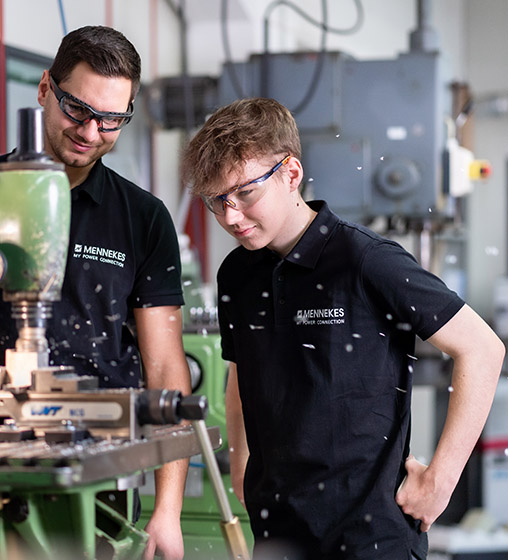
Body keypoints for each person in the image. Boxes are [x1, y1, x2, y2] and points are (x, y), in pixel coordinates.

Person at [180, 97, 505, 559]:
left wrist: (441, 480)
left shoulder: (365, 259)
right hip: (278, 532)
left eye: (245, 193)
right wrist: (242, 459)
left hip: (369, 534)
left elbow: (482, 348)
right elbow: (241, 368)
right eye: (217, 200)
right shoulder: (237, 272)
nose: (230, 216)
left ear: (291, 174)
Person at [0, 26, 190, 560]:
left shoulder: (143, 220)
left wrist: (167, 510)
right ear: (44, 88)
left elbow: (166, 369)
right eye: (77, 109)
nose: (91, 130)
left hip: (99, 468)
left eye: (112, 120)